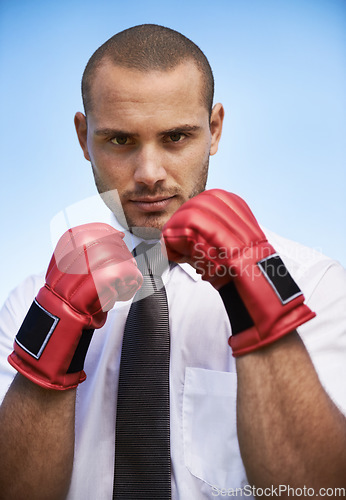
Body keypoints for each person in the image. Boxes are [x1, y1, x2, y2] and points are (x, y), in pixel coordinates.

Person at [0, 24, 345, 500]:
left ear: (215, 129)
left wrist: (262, 302)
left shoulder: (313, 284)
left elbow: (321, 492)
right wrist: (51, 344)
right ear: (84, 138)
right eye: (119, 141)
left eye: (176, 137)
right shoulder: (29, 308)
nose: (149, 174)